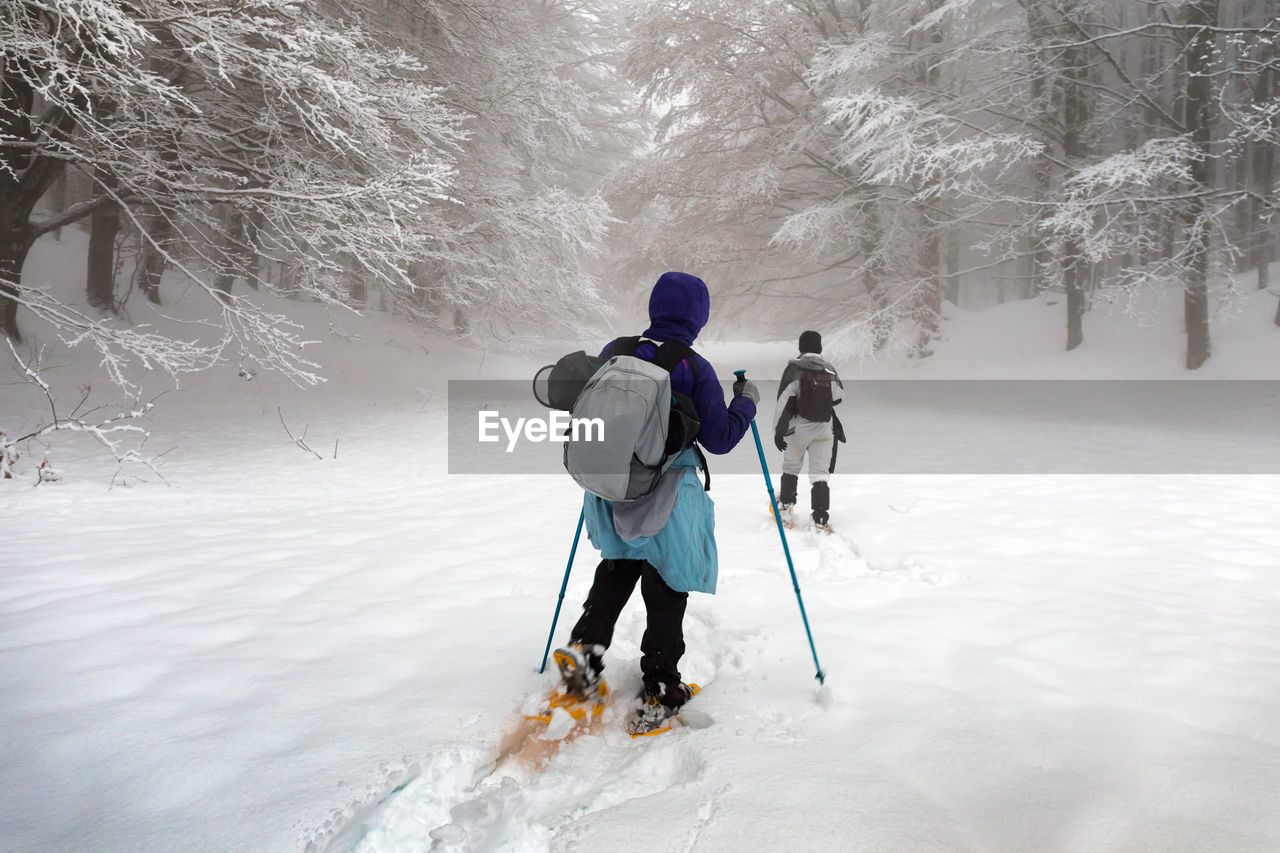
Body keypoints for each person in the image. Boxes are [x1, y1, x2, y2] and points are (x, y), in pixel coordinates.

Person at [553, 271, 758, 733]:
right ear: (698, 318)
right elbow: (721, 438)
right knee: (666, 584)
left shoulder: (617, 350)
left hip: (613, 486)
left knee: (618, 566)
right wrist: (745, 404)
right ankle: (661, 688)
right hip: (668, 489)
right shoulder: (692, 366)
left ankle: (584, 657)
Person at [772, 330, 844, 531]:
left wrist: (778, 431)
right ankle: (820, 517)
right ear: (819, 348)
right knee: (820, 473)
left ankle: (785, 508)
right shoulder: (828, 369)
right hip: (824, 428)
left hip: (799, 428)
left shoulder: (794, 369)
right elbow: (839, 395)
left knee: (791, 467)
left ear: (801, 348)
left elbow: (783, 401)